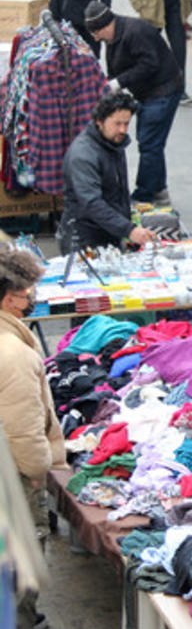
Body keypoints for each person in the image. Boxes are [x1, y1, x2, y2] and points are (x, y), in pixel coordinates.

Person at [0, 249, 67, 629]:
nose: (31, 304)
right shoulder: (13, 354)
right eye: (27, 296)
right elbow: (24, 429)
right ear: (10, 299)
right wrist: (40, 468)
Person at [84, 0, 183, 205]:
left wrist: (119, 83)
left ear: (104, 26)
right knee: (152, 144)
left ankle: (144, 194)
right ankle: (159, 190)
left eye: (95, 33)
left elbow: (149, 64)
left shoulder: (135, 32)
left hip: (162, 92)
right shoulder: (114, 38)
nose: (95, 38)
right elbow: (115, 68)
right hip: (149, 93)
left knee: (149, 143)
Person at [58, 92, 156, 252]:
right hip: (84, 240)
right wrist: (128, 229)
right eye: (117, 123)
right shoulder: (83, 155)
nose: (123, 130)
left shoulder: (114, 142)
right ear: (99, 121)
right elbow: (91, 203)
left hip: (109, 232)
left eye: (126, 123)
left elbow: (118, 190)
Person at [128, 0, 192, 104]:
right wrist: (138, 4)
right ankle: (143, 87)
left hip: (176, 3)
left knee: (179, 48)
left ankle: (180, 89)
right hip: (151, 5)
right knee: (147, 47)